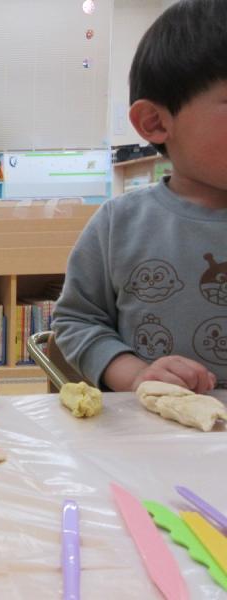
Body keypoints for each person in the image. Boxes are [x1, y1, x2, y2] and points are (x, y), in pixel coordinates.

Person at [52, 0, 227, 393]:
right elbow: (77, 322)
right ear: (155, 122)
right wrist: (135, 374)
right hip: (150, 422)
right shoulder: (119, 224)